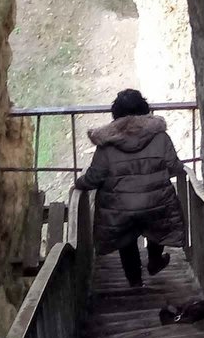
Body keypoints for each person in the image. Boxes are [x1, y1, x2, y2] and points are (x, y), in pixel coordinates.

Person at [75, 89, 188, 287]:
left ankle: (135, 281)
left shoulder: (107, 143)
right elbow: (174, 167)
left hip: (120, 206)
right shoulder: (160, 137)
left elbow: (95, 177)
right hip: (155, 201)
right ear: (144, 108)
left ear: (116, 112)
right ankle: (155, 261)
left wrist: (80, 183)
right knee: (157, 223)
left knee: (125, 239)